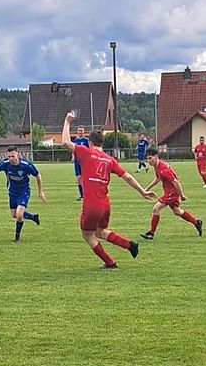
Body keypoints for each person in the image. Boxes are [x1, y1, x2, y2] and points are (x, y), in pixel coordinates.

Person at [61, 111, 156, 268]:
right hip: (105, 204)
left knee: (87, 235)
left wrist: (67, 121)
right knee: (100, 232)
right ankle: (129, 245)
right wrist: (143, 191)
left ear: (90, 143)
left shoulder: (86, 152)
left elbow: (65, 142)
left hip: (91, 205)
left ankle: (110, 262)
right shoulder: (110, 159)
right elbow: (127, 177)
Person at [0, 146, 45, 243]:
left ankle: (17, 236)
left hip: (24, 192)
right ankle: (33, 217)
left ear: (17, 154)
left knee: (19, 215)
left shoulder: (26, 165)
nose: (11, 159)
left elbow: (38, 175)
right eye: (9, 157)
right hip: (12, 192)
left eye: (13, 156)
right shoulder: (5, 164)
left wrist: (40, 191)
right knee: (14, 215)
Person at [140, 147, 203, 240]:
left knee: (156, 209)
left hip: (172, 193)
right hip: (168, 191)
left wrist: (181, 195)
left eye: (150, 158)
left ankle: (151, 233)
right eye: (147, 159)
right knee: (177, 211)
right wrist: (146, 189)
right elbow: (158, 177)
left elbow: (176, 182)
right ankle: (196, 222)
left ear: (156, 156)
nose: (148, 161)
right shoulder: (157, 166)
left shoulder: (163, 168)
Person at [72, 126, 89, 199]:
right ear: (77, 131)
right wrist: (73, 157)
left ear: (84, 131)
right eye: (79, 130)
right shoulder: (75, 141)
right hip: (77, 162)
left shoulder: (86, 141)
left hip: (84, 162)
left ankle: (87, 194)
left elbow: (90, 150)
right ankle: (82, 195)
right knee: (79, 178)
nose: (80, 132)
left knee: (85, 178)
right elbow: (73, 149)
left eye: (81, 130)